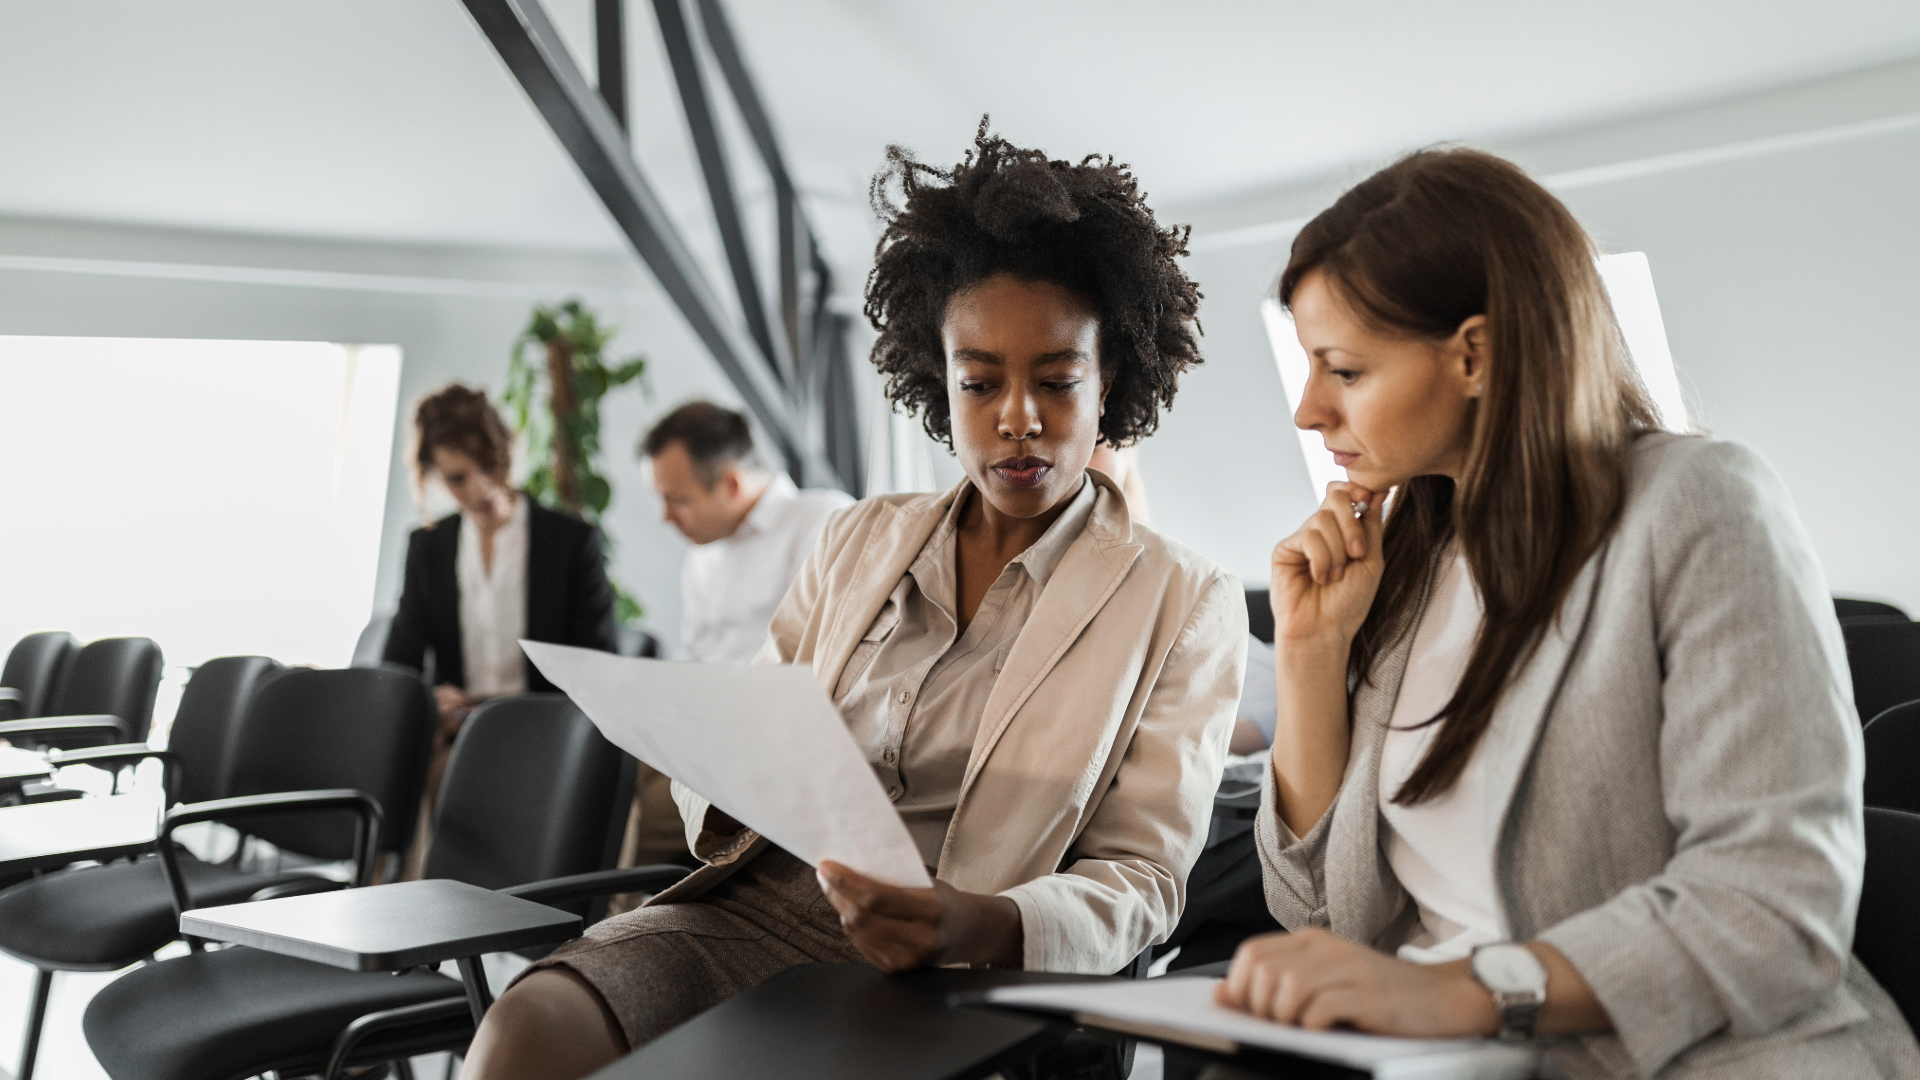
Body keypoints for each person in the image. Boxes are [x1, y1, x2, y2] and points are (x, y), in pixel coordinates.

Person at [461, 123, 1246, 1080]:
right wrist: (710, 758)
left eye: (1057, 380)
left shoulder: (1182, 599)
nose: (1017, 418)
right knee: (522, 1033)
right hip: (758, 911)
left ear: (1109, 382)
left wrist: (981, 919)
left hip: (964, 964)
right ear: (939, 383)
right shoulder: (859, 538)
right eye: (979, 382)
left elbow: (1147, 878)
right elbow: (751, 737)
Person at [1218, 148, 1920, 1078]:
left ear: (1475, 353)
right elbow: (1316, 917)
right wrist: (1311, 652)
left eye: (1341, 369)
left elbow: (1772, 903)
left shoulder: (1696, 503)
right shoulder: (1403, 565)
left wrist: (1457, 995)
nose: (1308, 410)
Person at [383, 384, 619, 875]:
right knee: (410, 766)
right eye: (457, 478)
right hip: (459, 731)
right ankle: (409, 922)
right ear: (432, 475)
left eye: (488, 467)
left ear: (506, 454)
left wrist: (497, 709)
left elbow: (596, 665)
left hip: (544, 726)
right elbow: (398, 662)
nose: (478, 489)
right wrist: (430, 699)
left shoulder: (570, 543)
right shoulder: (429, 548)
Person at [642, 400, 853, 664]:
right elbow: (694, 654)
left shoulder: (824, 522)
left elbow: (823, 655)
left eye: (678, 501)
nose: (666, 517)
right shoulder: (704, 548)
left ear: (732, 485)